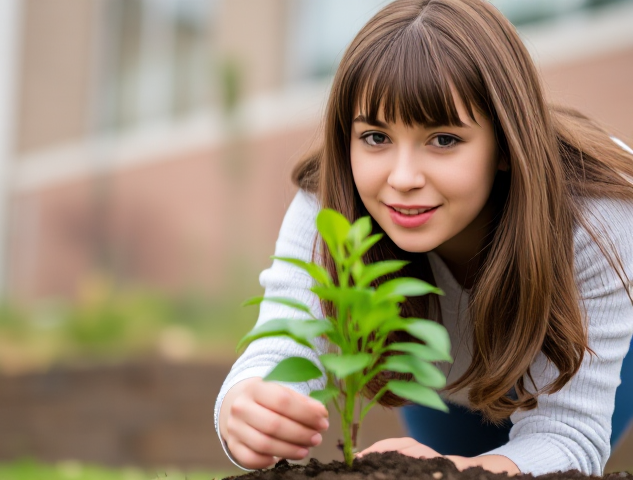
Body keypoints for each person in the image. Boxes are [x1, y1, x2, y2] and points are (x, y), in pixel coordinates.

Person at [214, 0, 633, 476]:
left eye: (444, 140)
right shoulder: (330, 201)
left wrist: (462, 470)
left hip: (584, 348)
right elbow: (281, 346)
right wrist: (246, 408)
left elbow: (570, 438)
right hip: (445, 384)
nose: (403, 177)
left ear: (504, 142)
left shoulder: (598, 212)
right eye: (375, 137)